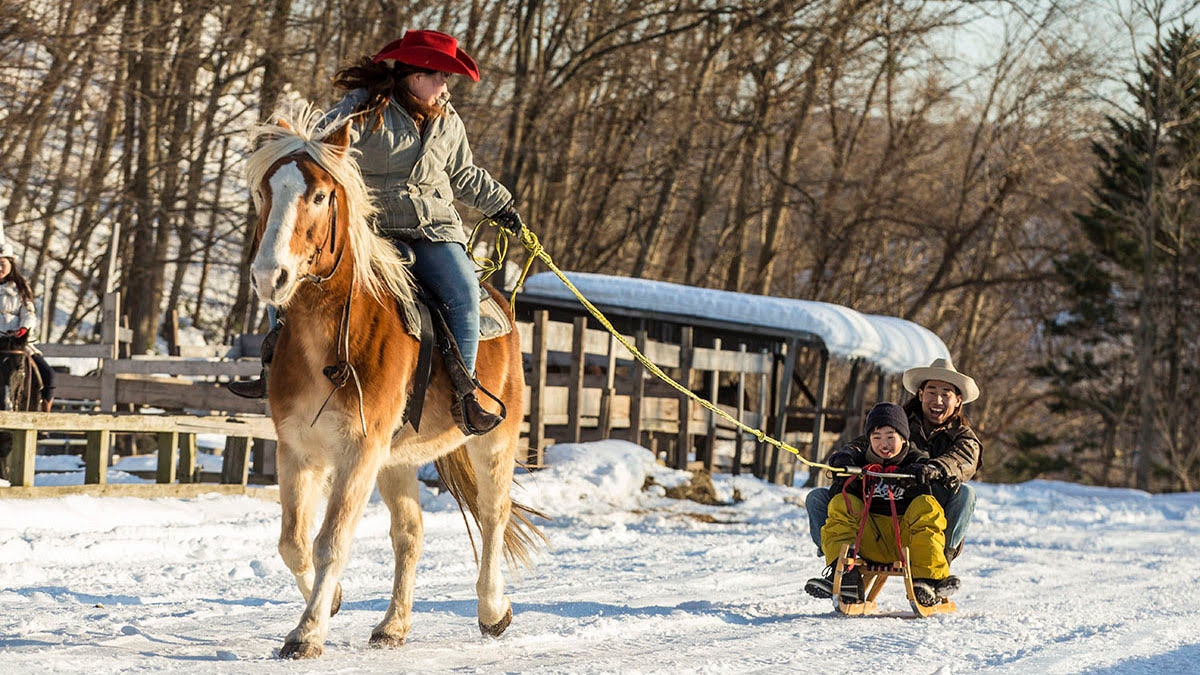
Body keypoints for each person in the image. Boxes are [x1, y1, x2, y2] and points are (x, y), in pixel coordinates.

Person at [228, 30, 525, 436]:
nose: (444, 86)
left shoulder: (448, 121)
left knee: (464, 293)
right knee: (287, 271)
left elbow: (464, 174)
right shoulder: (365, 110)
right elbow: (320, 147)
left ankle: (465, 392)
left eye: (446, 78)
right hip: (374, 232)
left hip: (435, 231)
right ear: (413, 75)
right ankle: (273, 362)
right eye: (439, 76)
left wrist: (502, 205)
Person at [805, 357, 981, 561]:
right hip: (880, 507)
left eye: (945, 394)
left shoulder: (963, 435)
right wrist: (848, 455)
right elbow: (867, 442)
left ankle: (939, 558)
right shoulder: (898, 422)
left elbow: (963, 460)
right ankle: (837, 561)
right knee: (817, 499)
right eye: (932, 392)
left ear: (958, 400)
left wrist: (935, 468)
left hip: (928, 512)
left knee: (966, 494)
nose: (938, 400)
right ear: (921, 394)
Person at [804, 402, 960, 607]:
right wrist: (842, 475)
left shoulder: (918, 462)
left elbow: (932, 507)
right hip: (868, 540)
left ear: (904, 438)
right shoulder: (859, 463)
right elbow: (838, 509)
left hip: (906, 543)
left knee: (926, 506)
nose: (883, 444)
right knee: (842, 503)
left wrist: (922, 480)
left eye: (890, 437)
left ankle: (927, 580)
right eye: (876, 437)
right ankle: (843, 575)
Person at [0, 246, 54, 412]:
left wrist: (23, 329)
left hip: (17, 341)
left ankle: (44, 418)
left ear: (11, 264)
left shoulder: (21, 288)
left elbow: (29, 313)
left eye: (2, 264)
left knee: (48, 375)